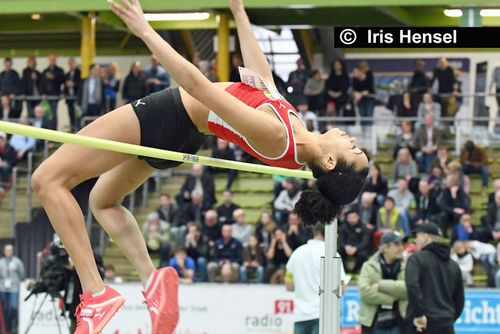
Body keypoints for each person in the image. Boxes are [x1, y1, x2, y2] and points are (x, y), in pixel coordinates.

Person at [31, 0, 368, 333]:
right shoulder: (294, 130)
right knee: (102, 201)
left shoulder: (277, 135)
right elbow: (262, 76)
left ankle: (94, 291)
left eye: (352, 149)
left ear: (329, 162)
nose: (352, 139)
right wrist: (238, 11)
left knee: (47, 180)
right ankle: (152, 281)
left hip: (170, 114)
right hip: (184, 134)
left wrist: (144, 30)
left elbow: (198, 87)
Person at [286, 223, 347, 334]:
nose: (337, 235)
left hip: (301, 315)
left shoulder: (297, 253)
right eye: (336, 232)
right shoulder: (332, 254)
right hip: (325, 316)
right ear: (328, 232)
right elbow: (342, 288)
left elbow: (289, 286)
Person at [405, 223, 464, 334]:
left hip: (422, 325)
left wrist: (419, 314)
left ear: (425, 237)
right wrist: (448, 318)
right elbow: (459, 299)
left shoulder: (416, 259)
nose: (415, 241)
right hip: (446, 324)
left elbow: (412, 286)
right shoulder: (454, 265)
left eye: (417, 237)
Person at [358, 231, 407, 334]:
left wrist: (380, 285)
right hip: (374, 323)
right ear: (385, 248)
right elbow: (365, 293)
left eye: (401, 244)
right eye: (396, 244)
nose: (401, 248)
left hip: (399, 323)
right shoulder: (368, 266)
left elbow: (407, 289)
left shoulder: (406, 266)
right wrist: (392, 298)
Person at [0, 244, 25, 333]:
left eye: (10, 250)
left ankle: (14, 325)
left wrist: (17, 282)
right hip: (3, 288)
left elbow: (22, 274)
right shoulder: (1, 262)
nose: (8, 252)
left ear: (12, 251)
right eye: (7, 250)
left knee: (14, 307)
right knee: (5, 308)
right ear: (4, 251)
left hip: (14, 288)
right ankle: (7, 327)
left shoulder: (17, 262)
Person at [64, 57, 82, 131]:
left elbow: (81, 84)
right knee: (71, 114)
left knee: (77, 115)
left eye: (72, 63)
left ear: (75, 64)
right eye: (69, 64)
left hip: (77, 98)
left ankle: (79, 129)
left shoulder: (80, 73)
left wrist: (74, 84)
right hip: (69, 98)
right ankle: (73, 129)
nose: (71, 65)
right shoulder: (67, 74)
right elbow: (65, 86)